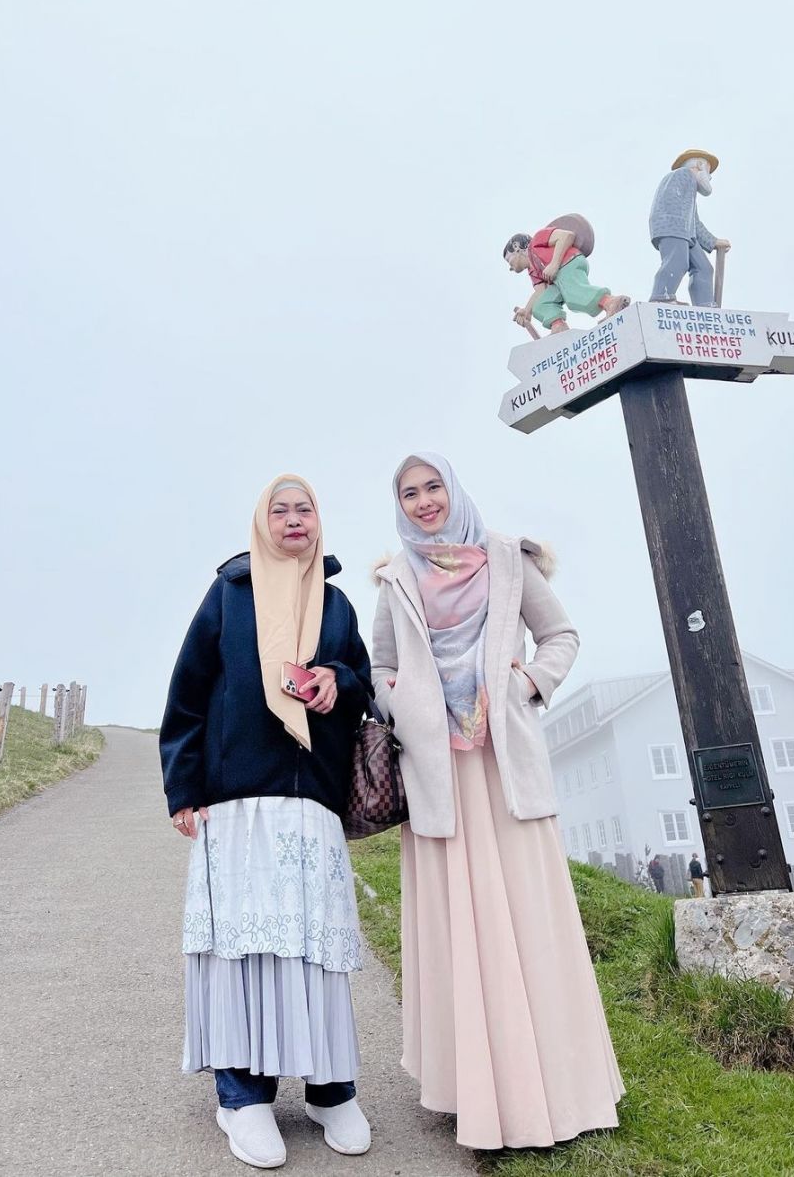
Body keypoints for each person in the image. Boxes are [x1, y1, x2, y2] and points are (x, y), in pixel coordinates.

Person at [371, 453, 623, 1151]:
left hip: (504, 769)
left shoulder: (509, 560)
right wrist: (399, 702)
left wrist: (528, 684)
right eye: (410, 493)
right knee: (461, 929)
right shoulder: (395, 578)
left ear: (455, 491)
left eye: (433, 488)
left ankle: (556, 1087)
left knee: (530, 922)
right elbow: (380, 664)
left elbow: (561, 635)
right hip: (439, 780)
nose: (424, 502)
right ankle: (470, 1090)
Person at [160, 475, 374, 1169]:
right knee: (243, 951)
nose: (292, 520)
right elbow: (189, 695)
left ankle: (329, 1088)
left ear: (319, 522)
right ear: (261, 523)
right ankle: (241, 1096)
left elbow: (362, 681)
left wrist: (337, 678)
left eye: (303, 509)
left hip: (311, 801)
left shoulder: (337, 604)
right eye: (279, 510)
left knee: (312, 946)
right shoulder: (228, 597)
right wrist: (183, 790)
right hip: (238, 804)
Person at [503, 226, 630, 335]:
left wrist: (554, 264)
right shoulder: (532, 270)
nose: (510, 267)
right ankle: (558, 326)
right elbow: (540, 292)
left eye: (509, 260)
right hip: (557, 280)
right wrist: (527, 310)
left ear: (516, 247)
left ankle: (611, 302)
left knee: (575, 294)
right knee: (541, 304)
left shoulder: (537, 240)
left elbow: (566, 236)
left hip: (568, 262)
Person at [648, 150, 731, 307]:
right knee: (677, 261)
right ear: (699, 165)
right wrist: (677, 232)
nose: (710, 177)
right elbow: (670, 205)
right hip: (673, 227)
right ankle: (661, 296)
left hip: (687, 232)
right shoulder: (682, 175)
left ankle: (705, 306)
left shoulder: (690, 187)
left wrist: (713, 242)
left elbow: (694, 220)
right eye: (708, 171)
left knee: (704, 268)